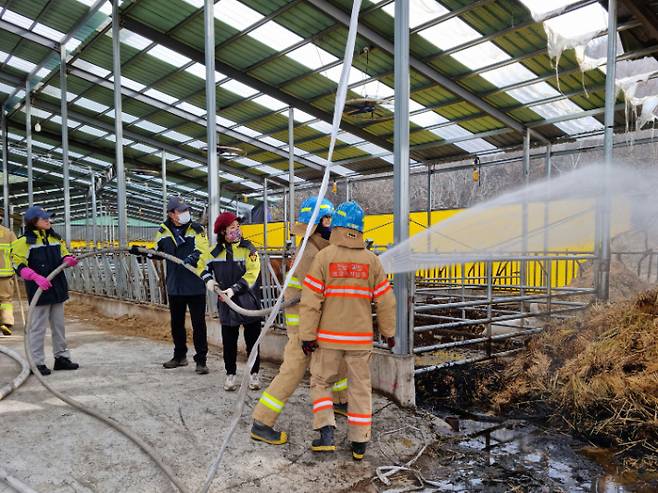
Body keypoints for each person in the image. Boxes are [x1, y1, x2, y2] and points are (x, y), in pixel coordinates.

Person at [299, 201, 396, 461]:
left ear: (338, 226)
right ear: (360, 229)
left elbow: (310, 301)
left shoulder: (323, 257)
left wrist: (307, 336)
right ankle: (359, 443)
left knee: (321, 382)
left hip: (328, 338)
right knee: (360, 388)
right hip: (360, 340)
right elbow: (386, 300)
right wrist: (389, 332)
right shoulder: (371, 261)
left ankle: (326, 433)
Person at [250, 197, 348, 445]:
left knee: (337, 363)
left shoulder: (315, 247)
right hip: (304, 329)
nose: (331, 224)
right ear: (317, 224)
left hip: (315, 324)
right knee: (292, 372)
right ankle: (262, 422)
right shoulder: (309, 254)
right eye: (328, 219)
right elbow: (316, 296)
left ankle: (341, 401)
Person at [133, 196, 210, 374]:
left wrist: (193, 258)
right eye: (181, 211)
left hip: (194, 283)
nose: (185, 214)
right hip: (175, 285)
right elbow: (158, 252)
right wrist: (142, 251)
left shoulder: (197, 229)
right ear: (171, 214)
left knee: (199, 323)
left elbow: (204, 249)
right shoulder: (163, 231)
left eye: (186, 210)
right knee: (177, 323)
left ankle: (201, 360)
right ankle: (179, 356)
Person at [11, 206, 79, 375]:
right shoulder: (24, 242)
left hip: (57, 288)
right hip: (39, 290)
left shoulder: (55, 238)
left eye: (49, 218)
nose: (49, 221)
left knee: (59, 326)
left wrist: (68, 259)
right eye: (44, 219)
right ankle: (37, 362)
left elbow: (64, 254)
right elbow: (17, 264)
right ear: (34, 222)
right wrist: (34, 277)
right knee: (38, 327)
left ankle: (61, 358)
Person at [200, 212, 262, 391]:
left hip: (248, 302)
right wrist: (209, 280)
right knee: (229, 342)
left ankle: (254, 374)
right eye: (232, 228)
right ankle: (230, 374)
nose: (237, 231)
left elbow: (252, 274)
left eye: (238, 227)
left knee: (253, 342)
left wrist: (233, 290)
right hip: (227, 304)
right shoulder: (215, 251)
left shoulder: (249, 249)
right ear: (223, 233)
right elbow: (201, 264)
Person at [0, 215, 17, 336]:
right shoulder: (9, 234)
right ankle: (6, 323)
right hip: (5, 274)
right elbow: (17, 252)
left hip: (5, 273)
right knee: (5, 299)